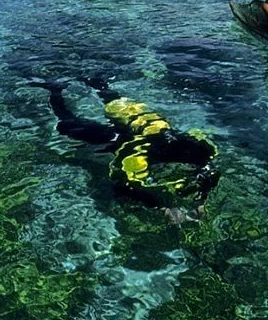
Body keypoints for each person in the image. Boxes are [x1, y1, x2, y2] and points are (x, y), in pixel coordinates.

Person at [33, 76, 219, 223]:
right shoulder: (139, 150)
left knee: (117, 104)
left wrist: (200, 201)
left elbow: (209, 173)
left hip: (151, 124)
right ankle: (56, 90)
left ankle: (94, 82)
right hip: (129, 134)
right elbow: (125, 184)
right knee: (69, 125)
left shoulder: (202, 151)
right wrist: (161, 208)